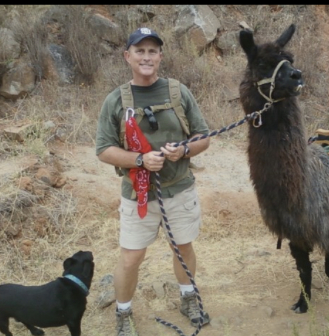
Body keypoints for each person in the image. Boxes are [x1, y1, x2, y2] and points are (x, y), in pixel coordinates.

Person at [95, 27, 211, 336]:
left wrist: (184, 149)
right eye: (140, 51)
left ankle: (188, 299)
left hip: (179, 189)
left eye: (152, 51)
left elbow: (203, 136)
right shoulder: (115, 100)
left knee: (182, 247)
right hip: (137, 195)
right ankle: (123, 314)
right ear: (128, 57)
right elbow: (103, 150)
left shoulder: (178, 92)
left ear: (160, 56)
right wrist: (139, 160)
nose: (146, 56)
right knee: (131, 257)